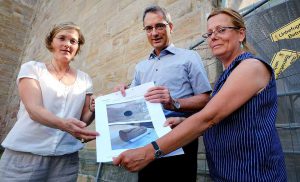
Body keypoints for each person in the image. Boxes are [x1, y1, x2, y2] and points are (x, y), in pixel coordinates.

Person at [113, 8, 288, 181]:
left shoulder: (250, 66)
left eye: (221, 30)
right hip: (227, 169)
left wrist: (148, 152)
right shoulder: (227, 76)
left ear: (241, 34)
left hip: (253, 171)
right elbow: (224, 119)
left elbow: (209, 116)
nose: (213, 36)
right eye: (209, 33)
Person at [114, 5, 211, 182]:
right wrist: (122, 94)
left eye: (160, 26)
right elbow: (135, 101)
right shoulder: (141, 67)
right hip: (147, 139)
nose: (155, 33)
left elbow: (206, 100)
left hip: (180, 137)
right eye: (149, 28)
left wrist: (174, 102)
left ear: (170, 27)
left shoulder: (189, 57)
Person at [0, 22, 99, 181]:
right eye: (62, 38)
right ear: (51, 42)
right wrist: (66, 126)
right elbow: (34, 110)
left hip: (65, 161)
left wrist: (93, 110)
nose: (67, 44)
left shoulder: (85, 79)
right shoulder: (32, 69)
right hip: (25, 156)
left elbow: (83, 121)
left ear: (77, 47)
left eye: (73, 41)